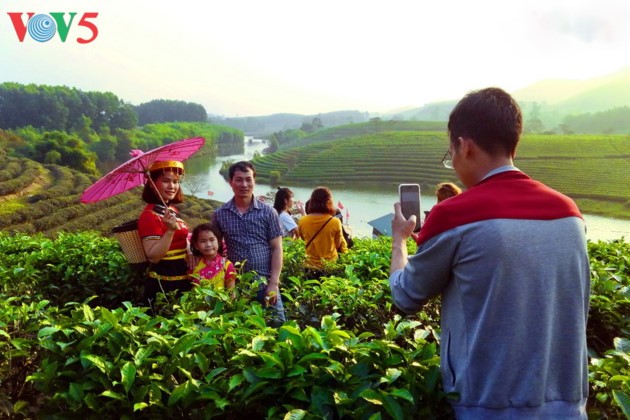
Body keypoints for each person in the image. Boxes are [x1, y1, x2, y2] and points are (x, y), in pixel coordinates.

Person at [389, 87, 589, 419]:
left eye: (449, 152)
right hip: (568, 407)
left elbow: (405, 296)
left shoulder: (455, 215)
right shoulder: (569, 213)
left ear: (464, 146)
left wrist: (399, 241)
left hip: (486, 408)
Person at [212, 161, 286, 324]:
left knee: (277, 324)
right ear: (230, 182)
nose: (244, 184)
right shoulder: (220, 214)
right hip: (235, 285)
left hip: (265, 282)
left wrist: (274, 283)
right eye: (238, 179)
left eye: (248, 179)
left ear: (254, 181)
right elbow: (213, 250)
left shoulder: (268, 213)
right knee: (240, 329)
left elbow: (277, 248)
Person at [137, 160, 192, 310]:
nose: (172, 186)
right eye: (166, 181)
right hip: (164, 283)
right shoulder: (149, 215)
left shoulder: (171, 210)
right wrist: (169, 231)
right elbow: (153, 256)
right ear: (151, 184)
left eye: (175, 181)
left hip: (182, 278)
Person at [298, 187, 347, 273]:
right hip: (329, 266)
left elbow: (303, 239)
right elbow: (338, 244)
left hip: (309, 265)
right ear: (329, 201)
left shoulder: (302, 220)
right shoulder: (335, 221)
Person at [189, 222, 236, 290]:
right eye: (203, 241)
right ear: (196, 245)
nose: (208, 244)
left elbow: (231, 292)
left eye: (212, 240)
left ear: (219, 242)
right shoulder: (193, 264)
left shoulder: (226, 265)